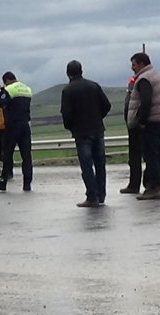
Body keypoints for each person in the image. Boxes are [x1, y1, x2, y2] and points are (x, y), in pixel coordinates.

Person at [60, 60, 112, 208]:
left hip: (81, 133)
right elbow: (106, 105)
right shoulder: (94, 86)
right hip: (97, 129)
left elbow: (66, 114)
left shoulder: (68, 90)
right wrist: (97, 117)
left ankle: (91, 196)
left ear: (68, 73)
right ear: (81, 71)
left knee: (87, 166)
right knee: (100, 164)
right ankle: (101, 195)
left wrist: (71, 127)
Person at [126, 53, 160, 200]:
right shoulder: (157, 75)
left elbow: (145, 101)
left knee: (151, 155)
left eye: (134, 64)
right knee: (158, 154)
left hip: (151, 122)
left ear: (141, 64)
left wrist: (142, 121)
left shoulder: (144, 79)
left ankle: (154, 187)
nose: (132, 68)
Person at [0, 72, 33, 191]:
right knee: (26, 156)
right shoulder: (27, 89)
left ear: (6, 80)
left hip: (12, 126)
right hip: (25, 125)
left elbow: (1, 103)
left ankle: (3, 182)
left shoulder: (9, 89)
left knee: (6, 154)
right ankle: (27, 183)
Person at [119, 74, 145, 194]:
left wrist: (138, 121)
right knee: (134, 157)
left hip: (136, 125)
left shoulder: (140, 84)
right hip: (133, 124)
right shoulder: (134, 87)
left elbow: (133, 106)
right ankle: (134, 184)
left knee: (139, 156)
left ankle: (140, 184)